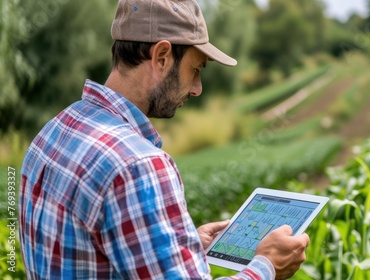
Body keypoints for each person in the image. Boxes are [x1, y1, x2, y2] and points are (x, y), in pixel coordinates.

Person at [19, 0, 310, 279]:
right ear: (161, 56)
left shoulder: (55, 131)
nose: (197, 89)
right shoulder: (138, 166)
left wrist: (179, 247)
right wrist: (267, 266)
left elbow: (86, 250)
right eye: (195, 70)